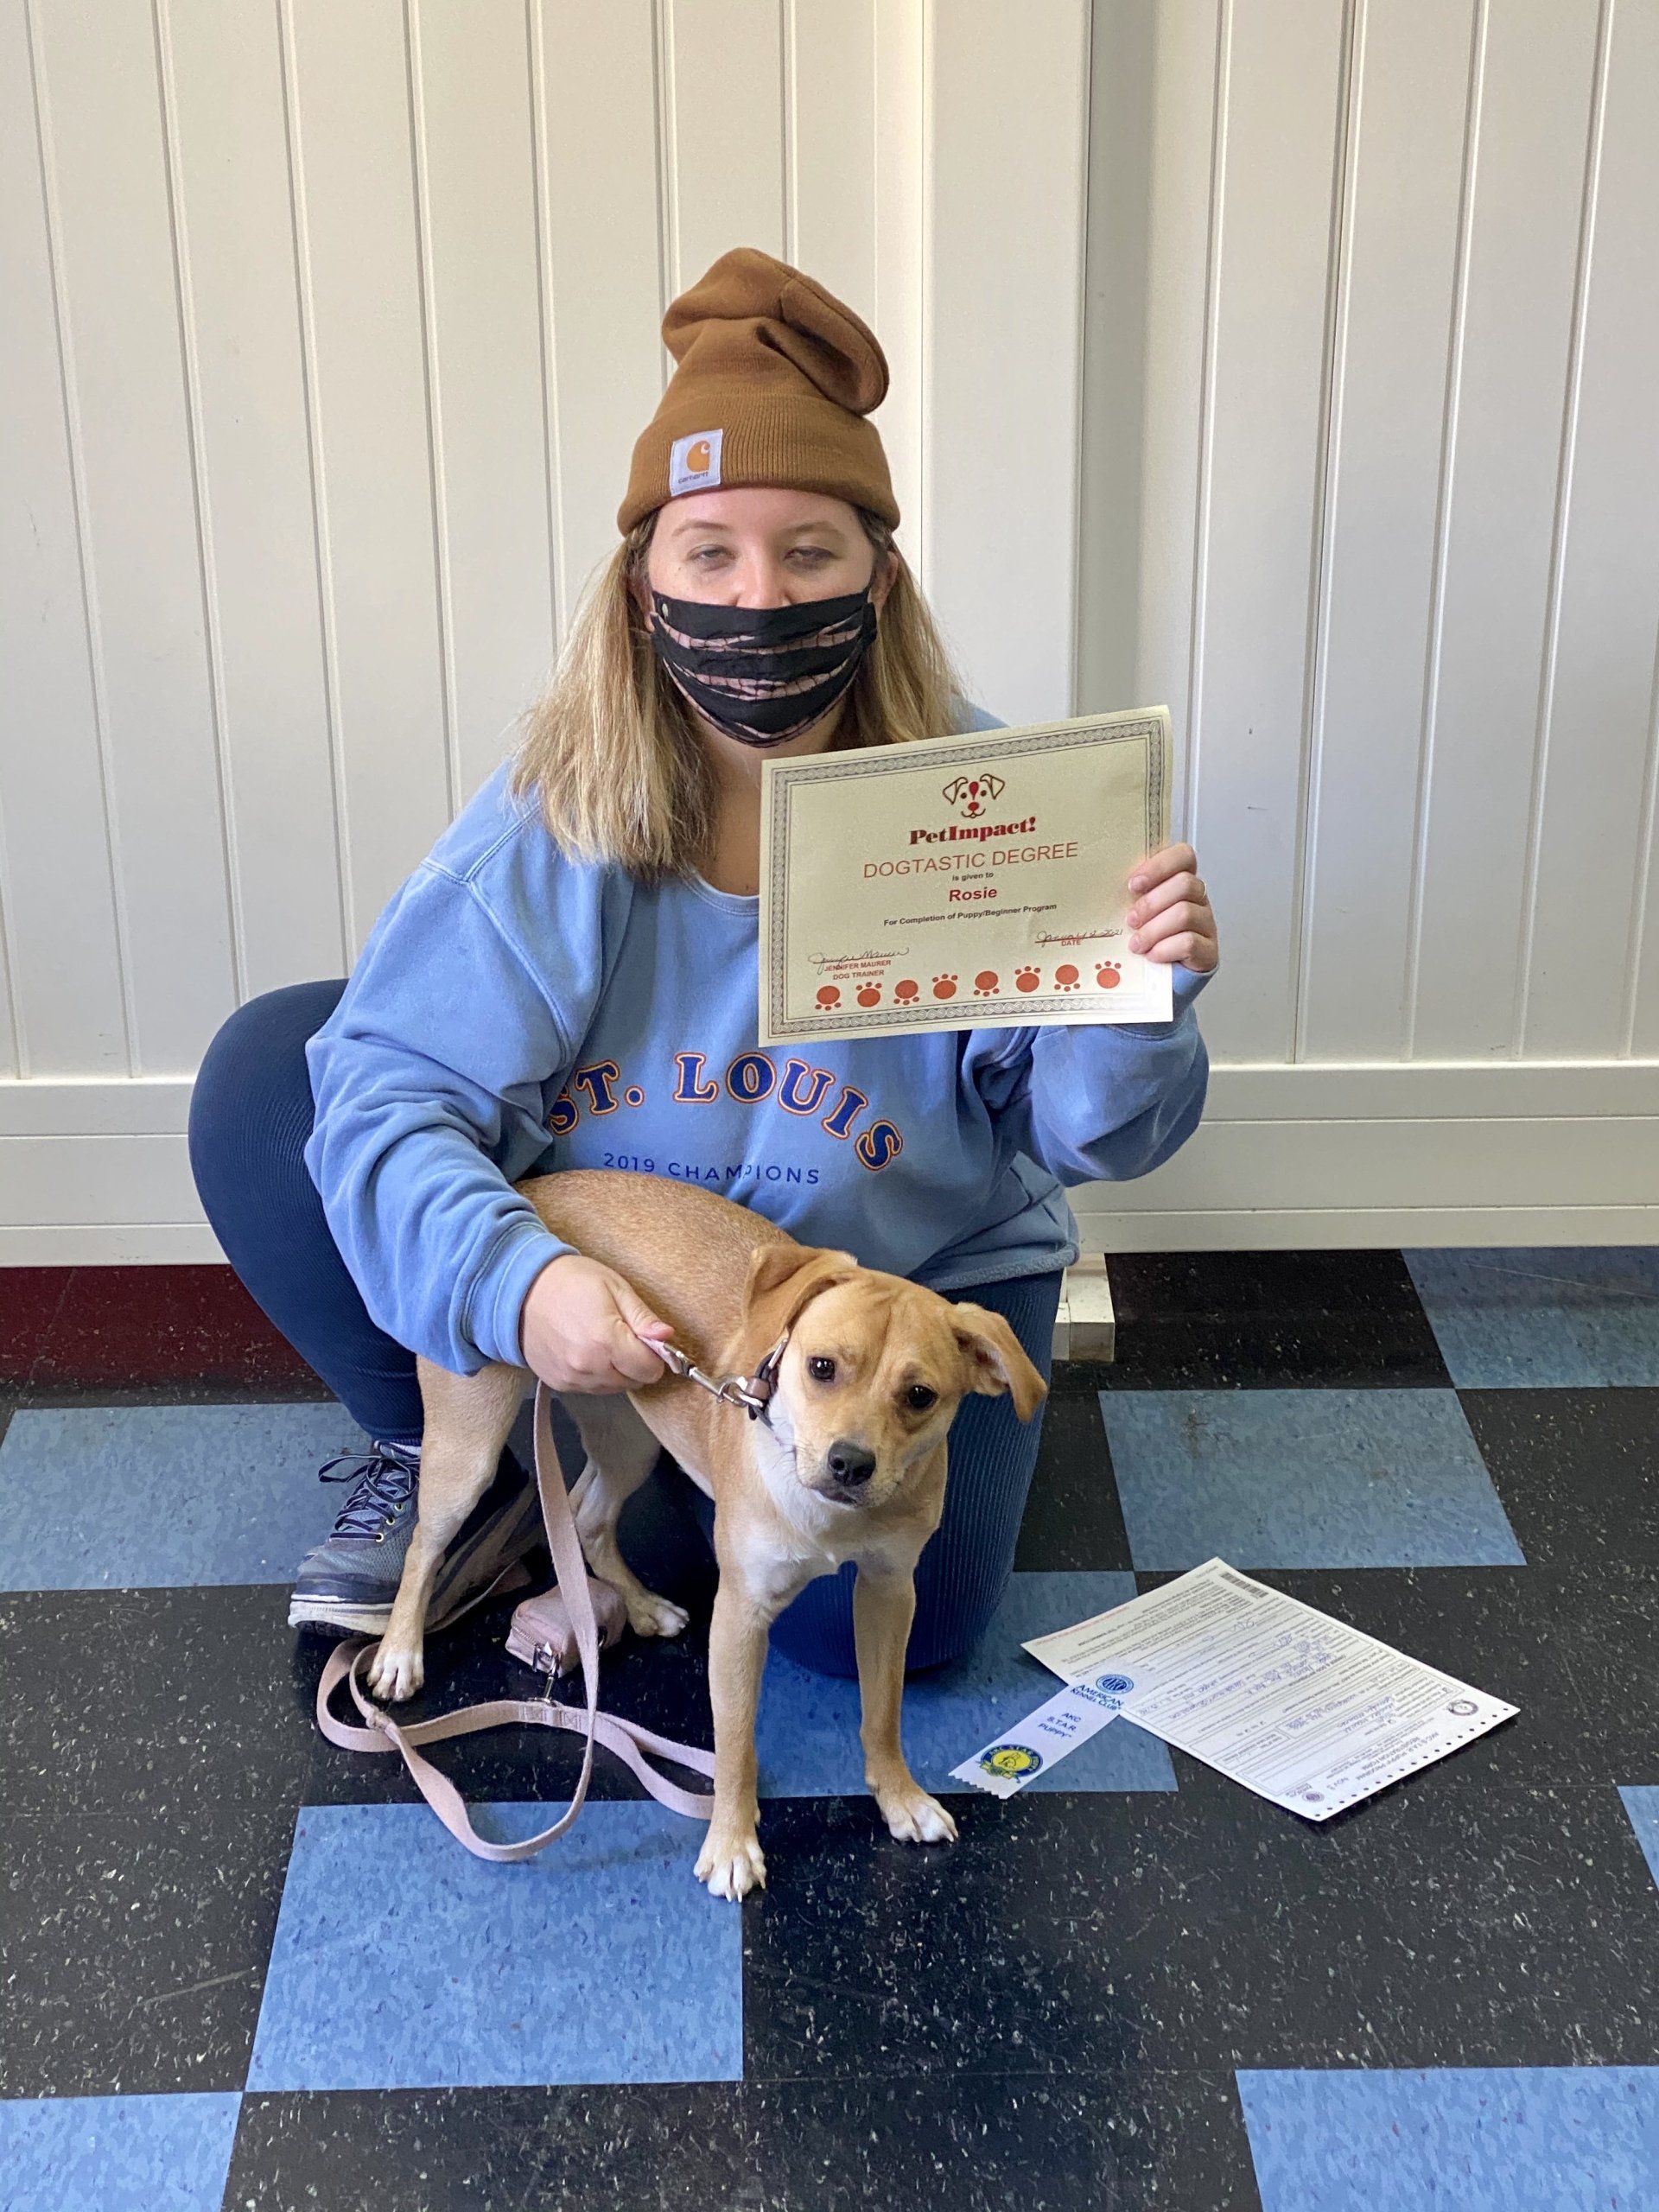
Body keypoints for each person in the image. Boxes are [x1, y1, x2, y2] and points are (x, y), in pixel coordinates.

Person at [188, 245, 1220, 1678]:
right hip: (647, 1273)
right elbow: (381, 1094)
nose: (757, 599)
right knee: (268, 1081)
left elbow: (1087, 1135)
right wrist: (520, 1291)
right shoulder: (557, 817)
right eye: (710, 552)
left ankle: (600, 1487)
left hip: (904, 1277)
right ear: (642, 583)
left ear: (878, 578)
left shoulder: (987, 802)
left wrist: (1135, 1003)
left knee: (907, 1640)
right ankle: (461, 1452)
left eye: (811, 552)